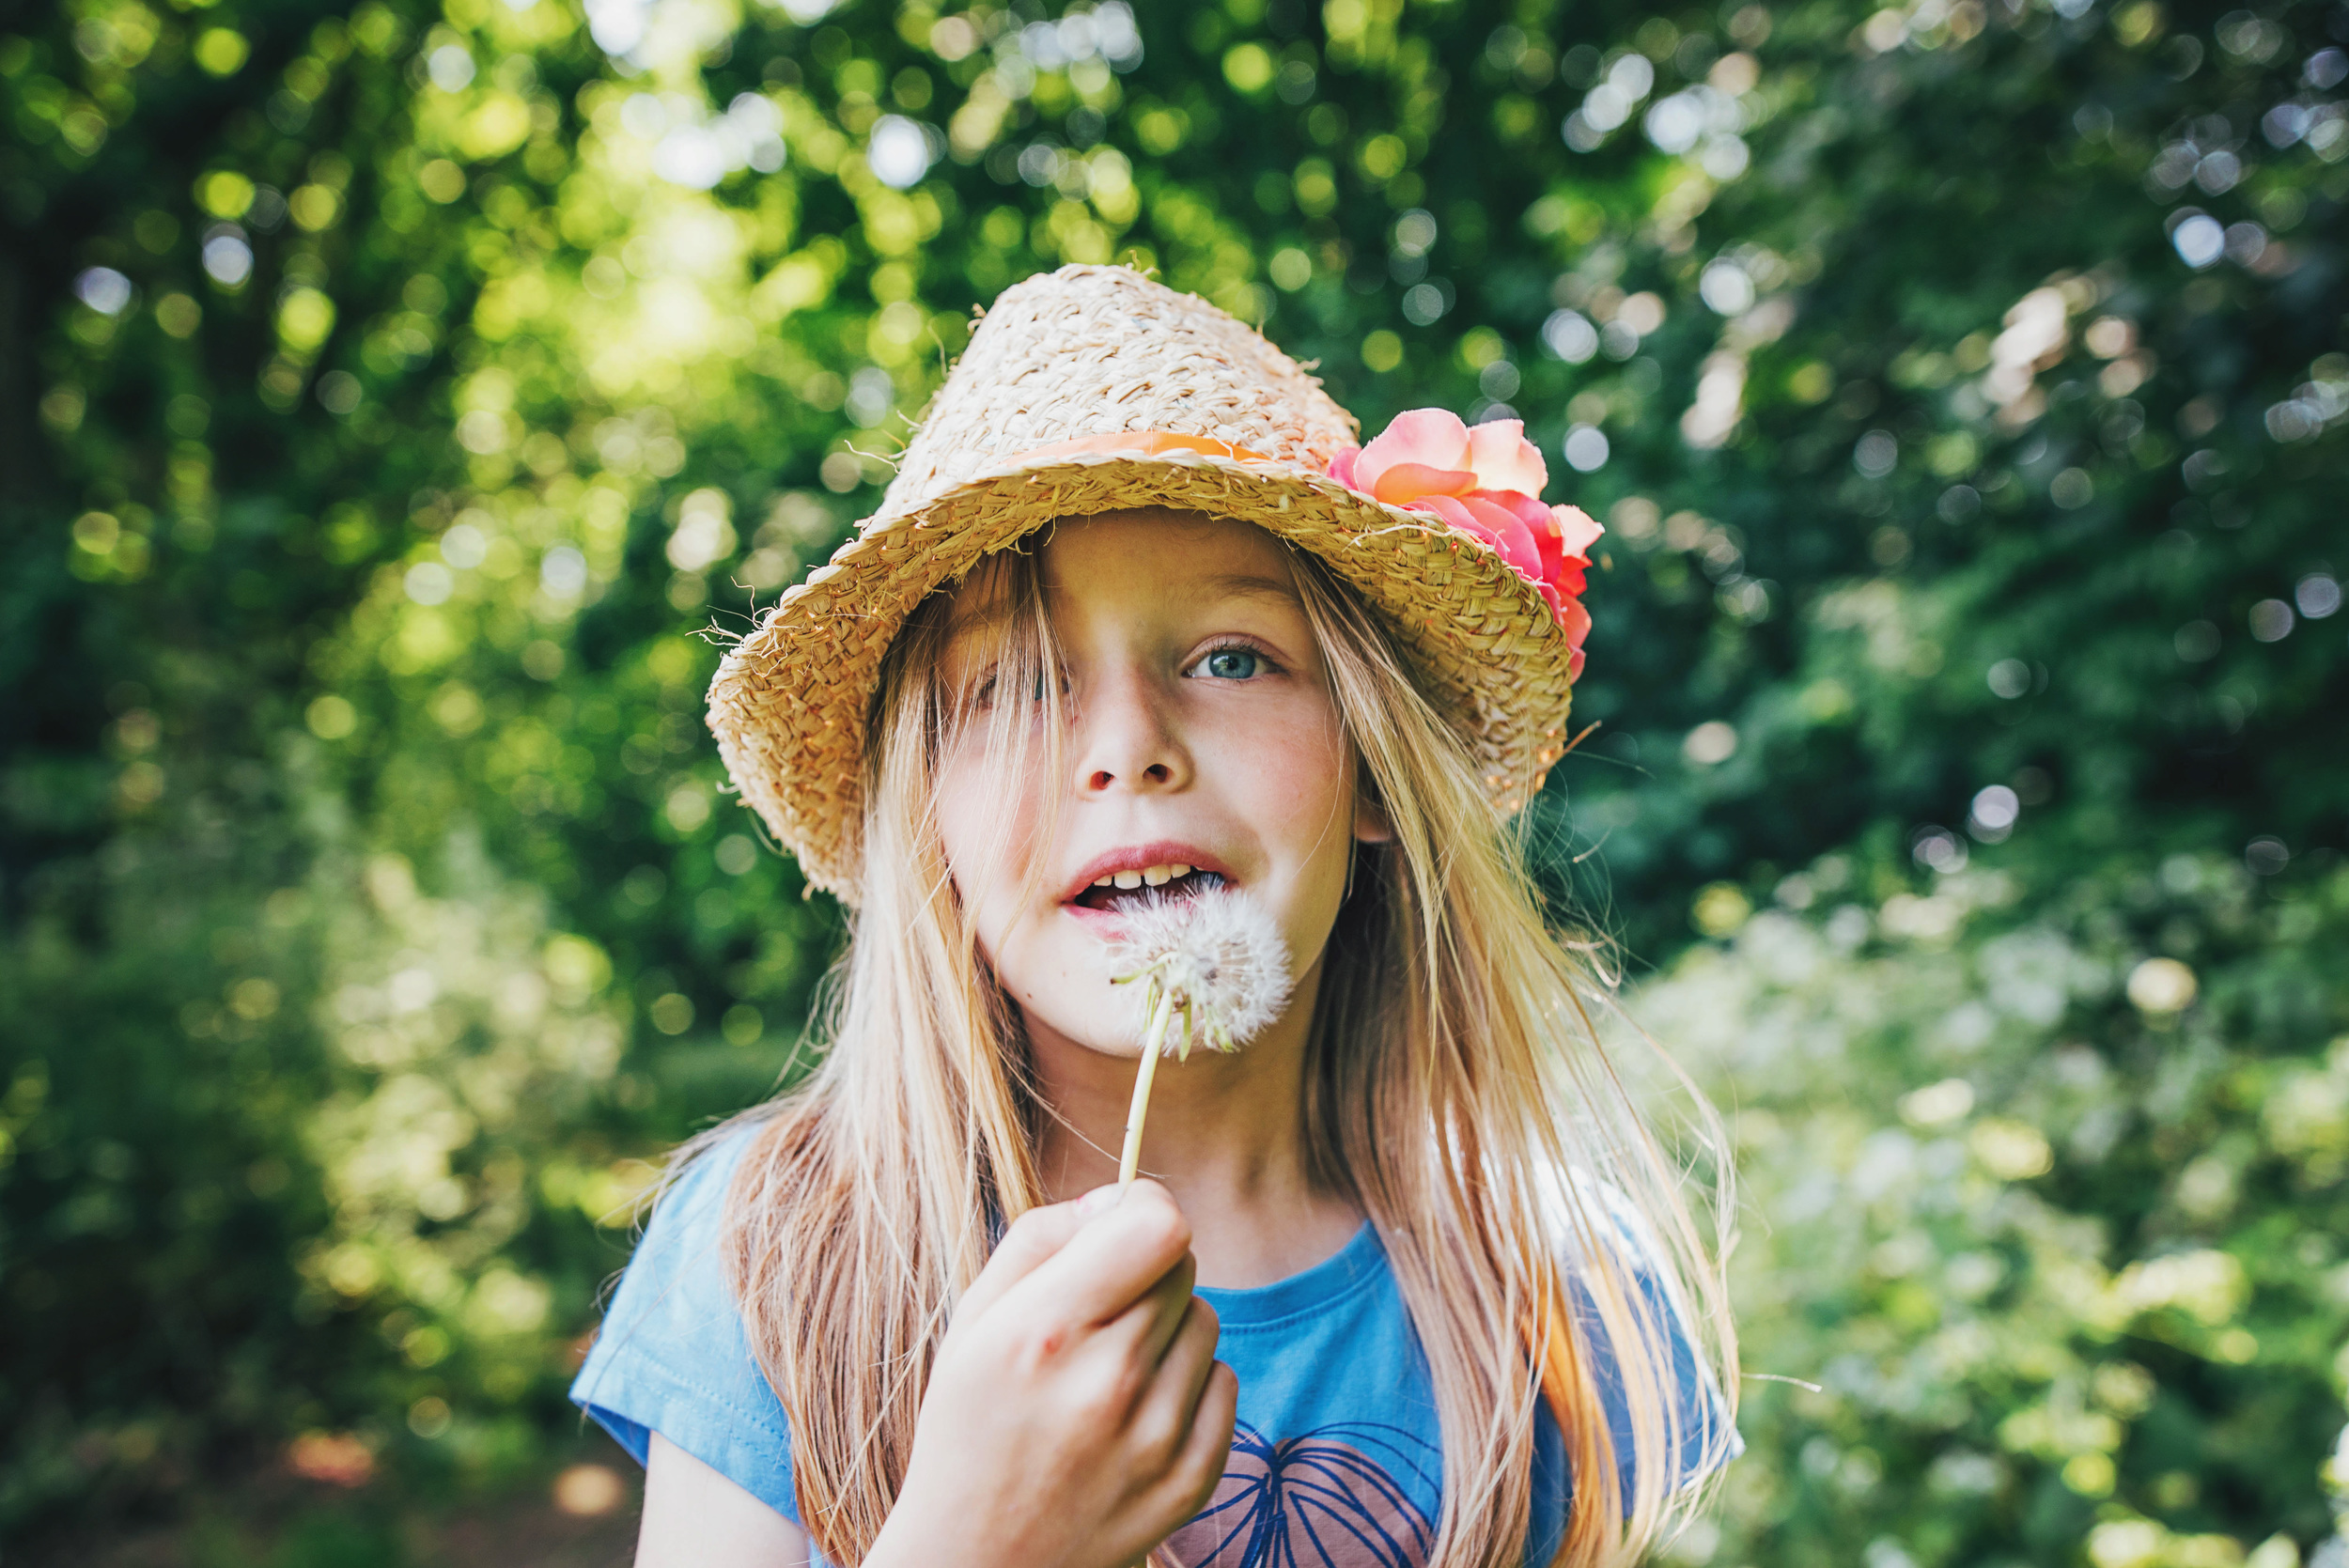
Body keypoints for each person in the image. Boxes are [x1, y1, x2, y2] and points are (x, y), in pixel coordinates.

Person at [571, 264, 1741, 1568]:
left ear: (1372, 761)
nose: (1128, 747)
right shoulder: (777, 1249)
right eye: (1015, 682)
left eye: (1231, 658)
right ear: (927, 818)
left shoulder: (1556, 1288)